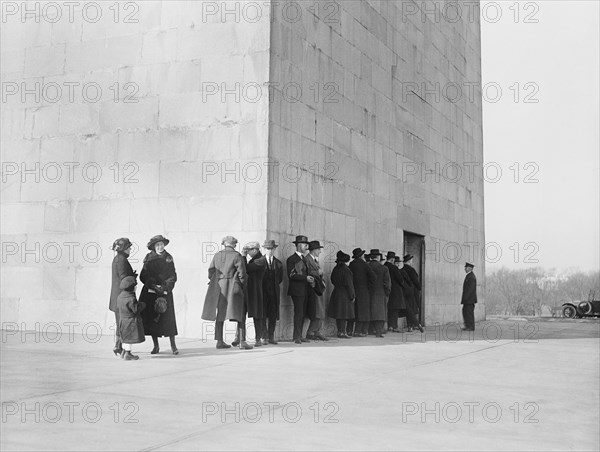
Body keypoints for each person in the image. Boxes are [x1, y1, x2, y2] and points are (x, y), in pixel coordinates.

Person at [202, 236, 252, 350]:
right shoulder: (237, 255)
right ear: (234, 245)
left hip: (220, 288)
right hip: (234, 288)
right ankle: (242, 341)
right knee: (239, 313)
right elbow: (242, 274)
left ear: (224, 244)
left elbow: (211, 271)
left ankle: (219, 341)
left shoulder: (217, 255)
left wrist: (217, 281)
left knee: (220, 314)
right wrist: (242, 285)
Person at [139, 235, 179, 355]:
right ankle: (156, 346)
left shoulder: (168, 258)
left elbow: (173, 275)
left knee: (168, 320)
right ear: (153, 247)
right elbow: (143, 276)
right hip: (151, 293)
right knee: (152, 321)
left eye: (162, 244)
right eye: (157, 245)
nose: (160, 247)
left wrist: (165, 287)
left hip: (165, 293)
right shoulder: (148, 258)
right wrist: (153, 286)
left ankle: (173, 345)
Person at [109, 237, 136, 357]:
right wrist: (132, 280)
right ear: (124, 249)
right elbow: (124, 279)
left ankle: (118, 346)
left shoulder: (118, 259)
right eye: (128, 247)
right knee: (125, 323)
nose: (130, 249)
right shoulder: (122, 261)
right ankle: (125, 351)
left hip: (117, 297)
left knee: (120, 322)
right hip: (123, 298)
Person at [286, 235, 315, 344]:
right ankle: (296, 336)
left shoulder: (304, 258)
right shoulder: (292, 259)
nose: (306, 246)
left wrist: (311, 280)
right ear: (298, 245)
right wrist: (305, 278)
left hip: (305, 290)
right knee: (298, 313)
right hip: (297, 290)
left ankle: (300, 335)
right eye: (304, 244)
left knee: (302, 313)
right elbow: (291, 275)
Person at [243, 242, 267, 347]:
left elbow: (245, 269)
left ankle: (259, 338)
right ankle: (241, 338)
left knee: (257, 316)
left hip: (255, 291)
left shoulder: (260, 260)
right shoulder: (256, 259)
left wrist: (243, 257)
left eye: (248, 250)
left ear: (255, 250)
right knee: (249, 315)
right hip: (251, 290)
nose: (247, 253)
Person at [116, 275, 145, 360]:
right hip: (131, 321)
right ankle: (128, 354)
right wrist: (142, 305)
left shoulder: (120, 296)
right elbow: (136, 309)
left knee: (125, 337)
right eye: (135, 286)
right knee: (130, 338)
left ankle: (124, 352)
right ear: (132, 287)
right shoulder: (131, 298)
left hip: (122, 320)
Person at [327, 251, 355, 339]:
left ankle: (340, 331)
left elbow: (332, 280)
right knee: (344, 313)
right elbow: (349, 284)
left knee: (339, 313)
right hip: (345, 294)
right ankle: (342, 332)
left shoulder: (335, 269)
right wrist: (352, 295)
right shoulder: (346, 270)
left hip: (336, 292)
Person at [260, 240, 283, 344]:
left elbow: (280, 278)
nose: (270, 251)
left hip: (274, 293)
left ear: (274, 249)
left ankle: (271, 337)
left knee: (273, 315)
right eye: (268, 249)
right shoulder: (259, 262)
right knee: (263, 314)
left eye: (271, 249)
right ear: (264, 249)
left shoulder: (278, 263)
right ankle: (264, 336)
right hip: (263, 293)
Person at [348, 248, 375, 337]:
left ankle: (351, 331)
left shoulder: (351, 264)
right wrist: (369, 286)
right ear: (361, 256)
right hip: (364, 291)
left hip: (353, 290)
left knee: (355, 311)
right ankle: (361, 331)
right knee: (364, 312)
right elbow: (373, 277)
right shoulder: (364, 264)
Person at [306, 240, 328, 341]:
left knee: (320, 310)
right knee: (317, 311)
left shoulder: (314, 260)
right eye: (318, 249)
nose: (320, 251)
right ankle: (312, 331)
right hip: (314, 288)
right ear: (314, 250)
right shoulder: (307, 259)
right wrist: (317, 272)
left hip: (318, 288)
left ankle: (316, 331)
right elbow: (306, 272)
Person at [367, 249, 391, 337]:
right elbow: (387, 282)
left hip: (369, 292)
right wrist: (387, 292)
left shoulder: (367, 266)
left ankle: (370, 330)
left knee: (370, 311)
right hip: (381, 293)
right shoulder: (384, 268)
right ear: (378, 257)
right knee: (380, 312)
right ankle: (378, 331)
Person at [384, 251, 404, 333]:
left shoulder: (384, 266)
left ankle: (389, 326)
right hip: (395, 291)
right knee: (395, 310)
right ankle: (394, 326)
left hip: (386, 290)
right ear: (392, 260)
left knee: (389, 309)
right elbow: (400, 280)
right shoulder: (394, 268)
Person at [401, 254, 422, 331]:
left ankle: (409, 325)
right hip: (413, 291)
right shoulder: (411, 270)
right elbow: (416, 281)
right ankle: (413, 324)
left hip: (405, 291)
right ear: (409, 261)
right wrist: (419, 287)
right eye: (411, 260)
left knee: (408, 308)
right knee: (413, 308)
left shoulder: (402, 269)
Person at [461, 262, 477, 331]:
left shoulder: (471, 277)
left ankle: (470, 327)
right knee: (465, 312)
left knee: (469, 313)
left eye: (466, 267)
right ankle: (468, 326)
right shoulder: (469, 276)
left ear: (470, 268)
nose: (465, 269)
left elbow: (470, 289)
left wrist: (465, 299)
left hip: (469, 300)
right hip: (468, 299)